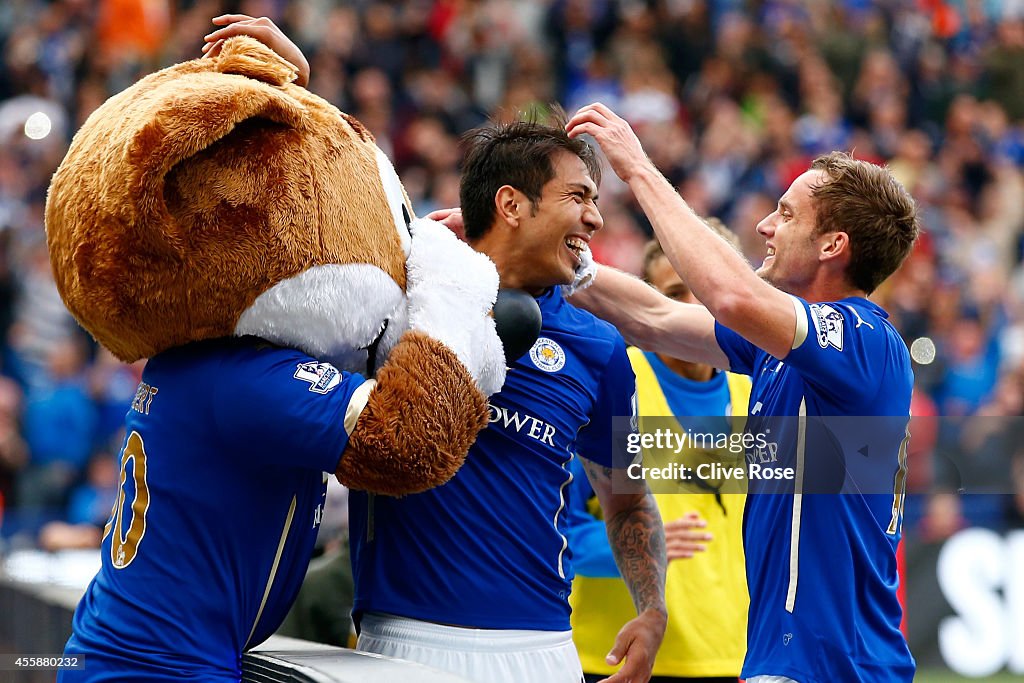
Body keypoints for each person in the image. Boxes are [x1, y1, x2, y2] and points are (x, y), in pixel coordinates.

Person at [565, 102, 918, 682]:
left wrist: (639, 171)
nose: (764, 226)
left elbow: (732, 298)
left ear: (832, 246)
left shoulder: (867, 340)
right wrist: (538, 252)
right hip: (783, 662)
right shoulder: (779, 354)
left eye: (786, 213)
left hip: (836, 668)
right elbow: (652, 317)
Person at [346, 113, 667, 683]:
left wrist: (652, 608)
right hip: (404, 639)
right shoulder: (399, 296)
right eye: (578, 196)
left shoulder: (598, 349)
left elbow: (628, 500)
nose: (595, 217)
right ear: (512, 204)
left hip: (541, 648)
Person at [566, 233, 751, 683]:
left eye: (705, 291)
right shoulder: (611, 386)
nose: (693, 307)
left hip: (735, 658)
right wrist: (635, 545)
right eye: (673, 295)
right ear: (646, 308)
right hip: (614, 659)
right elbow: (552, 530)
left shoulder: (759, 396)